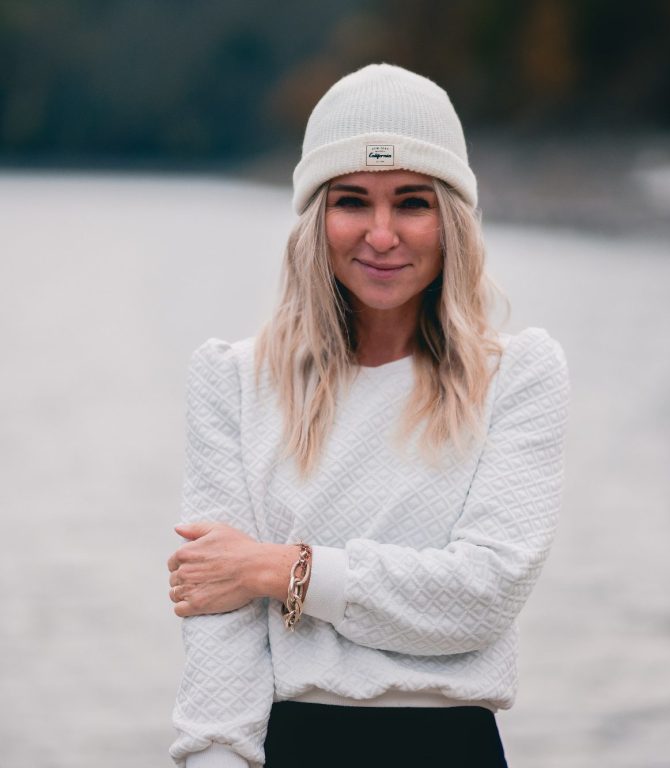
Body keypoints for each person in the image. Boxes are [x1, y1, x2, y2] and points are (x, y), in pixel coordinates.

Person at [167, 63, 569, 768]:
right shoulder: (233, 379)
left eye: (412, 203)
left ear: (451, 221)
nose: (382, 235)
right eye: (352, 201)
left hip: (453, 750)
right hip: (293, 747)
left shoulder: (517, 375)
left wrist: (277, 569)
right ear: (315, 218)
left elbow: (482, 596)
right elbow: (220, 622)